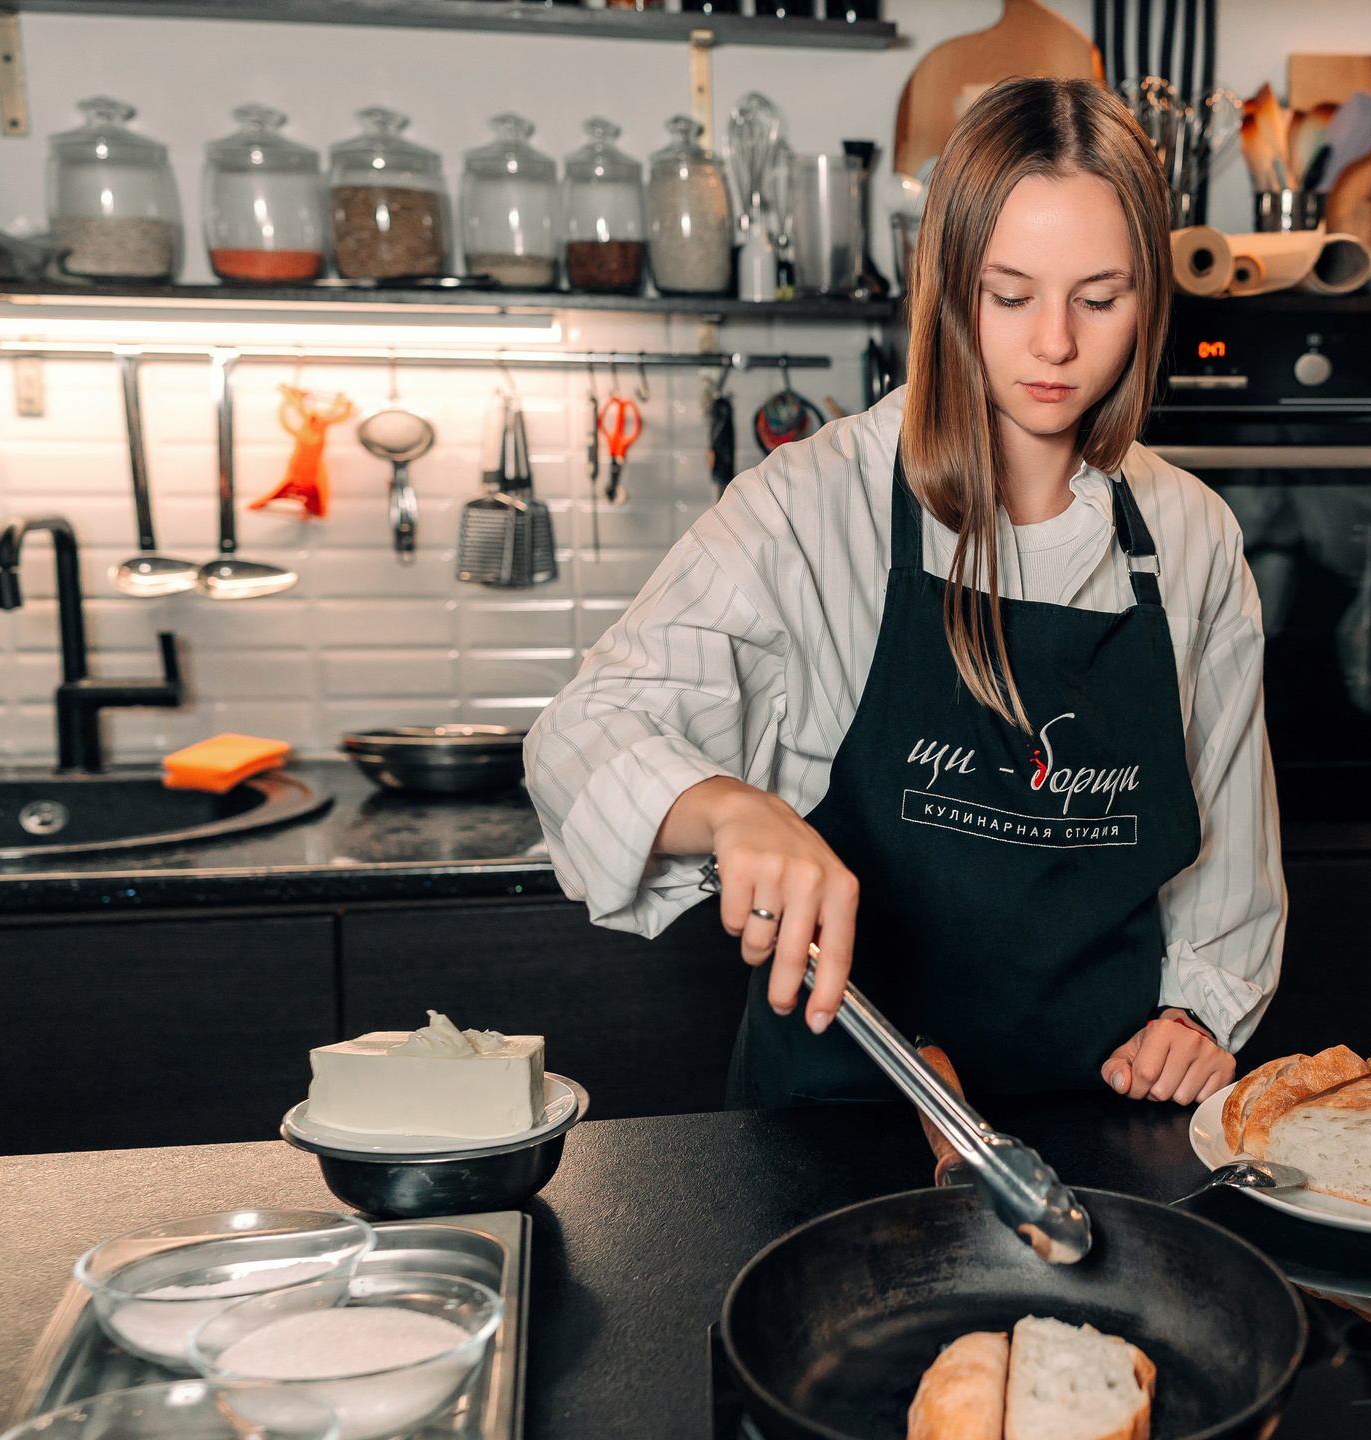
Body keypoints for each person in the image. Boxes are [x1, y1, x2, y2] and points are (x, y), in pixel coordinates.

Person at [524, 77, 1282, 1110]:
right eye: (1008, 294)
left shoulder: (1188, 532)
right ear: (944, 281)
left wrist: (1196, 1014)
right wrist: (729, 810)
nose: (1054, 343)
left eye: (1098, 297)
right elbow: (585, 731)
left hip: (1098, 1121)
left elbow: (1227, 840)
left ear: (1149, 295)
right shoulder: (810, 504)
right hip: (840, 1130)